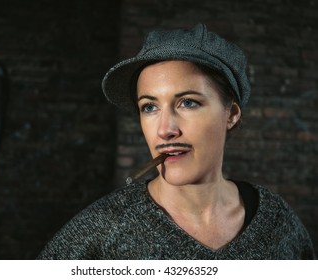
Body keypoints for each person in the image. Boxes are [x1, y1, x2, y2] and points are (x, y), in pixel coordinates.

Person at [37, 23, 316, 259]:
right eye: (149, 107)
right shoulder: (101, 230)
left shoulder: (277, 223)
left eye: (188, 103)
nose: (165, 130)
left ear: (230, 113)